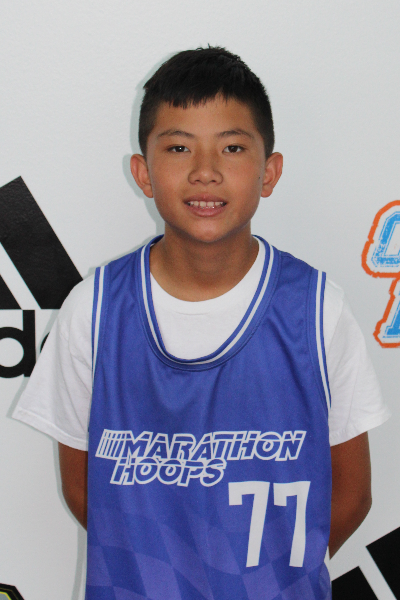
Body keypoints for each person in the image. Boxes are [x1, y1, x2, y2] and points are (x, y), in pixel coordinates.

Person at [13, 47, 390, 599]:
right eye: (178, 147)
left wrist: (265, 579)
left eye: (232, 147)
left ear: (269, 171)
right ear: (143, 173)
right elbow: (85, 489)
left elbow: (353, 493)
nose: (205, 171)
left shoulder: (315, 308)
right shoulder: (95, 307)